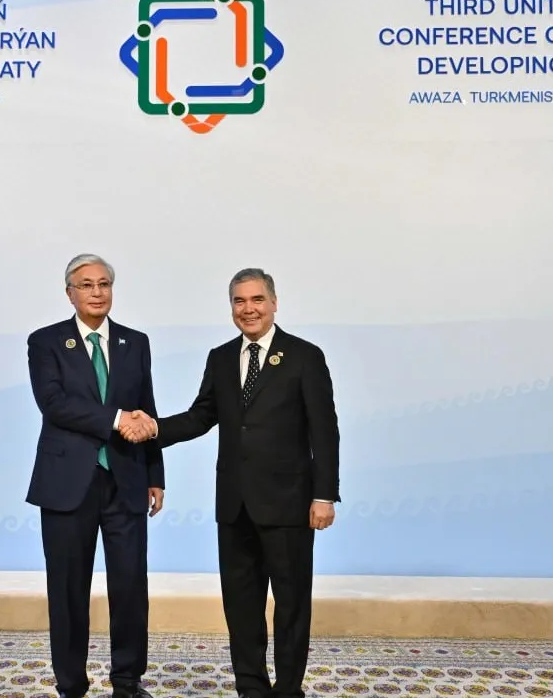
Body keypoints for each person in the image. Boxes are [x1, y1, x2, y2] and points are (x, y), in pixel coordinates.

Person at [123, 268, 340, 698]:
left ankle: (288, 690)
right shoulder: (221, 357)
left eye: (257, 299)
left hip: (290, 504)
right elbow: (201, 416)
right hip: (234, 505)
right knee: (241, 606)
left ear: (274, 303)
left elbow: (324, 431)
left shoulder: (304, 356)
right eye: (240, 301)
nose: (249, 309)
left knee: (292, 604)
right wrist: (153, 429)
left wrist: (324, 495)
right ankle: (251, 688)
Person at [25, 253, 164, 698]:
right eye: (86, 285)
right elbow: (54, 404)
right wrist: (117, 418)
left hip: (126, 479)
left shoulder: (134, 342)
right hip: (67, 484)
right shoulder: (46, 342)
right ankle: (71, 684)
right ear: (70, 293)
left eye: (104, 284)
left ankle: (127, 680)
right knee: (68, 590)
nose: (97, 292)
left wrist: (155, 474)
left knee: (130, 585)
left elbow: (147, 408)